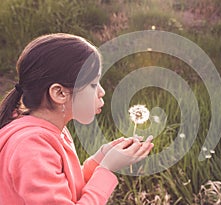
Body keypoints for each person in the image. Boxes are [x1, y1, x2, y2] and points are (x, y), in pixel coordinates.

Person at [0, 33, 154, 204]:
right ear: (59, 93)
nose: (102, 92)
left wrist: (99, 158)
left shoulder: (50, 131)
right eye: (94, 84)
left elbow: (64, 187)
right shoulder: (31, 146)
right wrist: (106, 169)